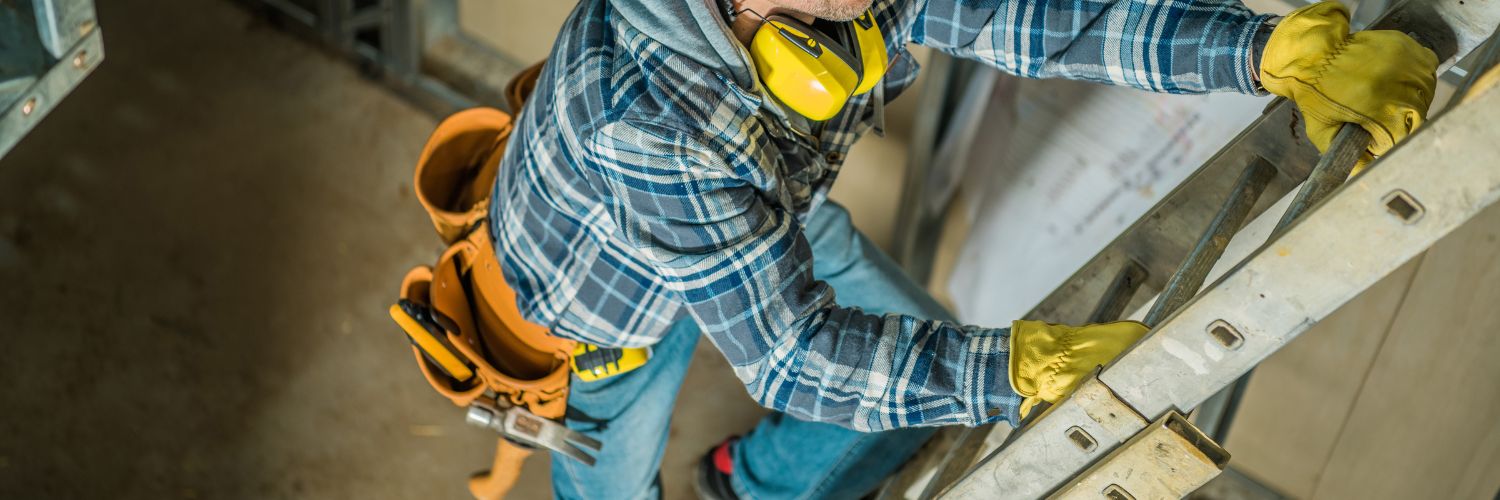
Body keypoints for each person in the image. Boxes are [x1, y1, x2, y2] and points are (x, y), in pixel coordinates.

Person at [483, 0, 1437, 498]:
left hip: (754, 204)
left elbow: (1042, 18)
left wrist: (1262, 53)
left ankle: (752, 487)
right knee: (608, 476)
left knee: (909, 371)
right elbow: (789, 353)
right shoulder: (648, 118)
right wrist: (1010, 368)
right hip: (599, 288)